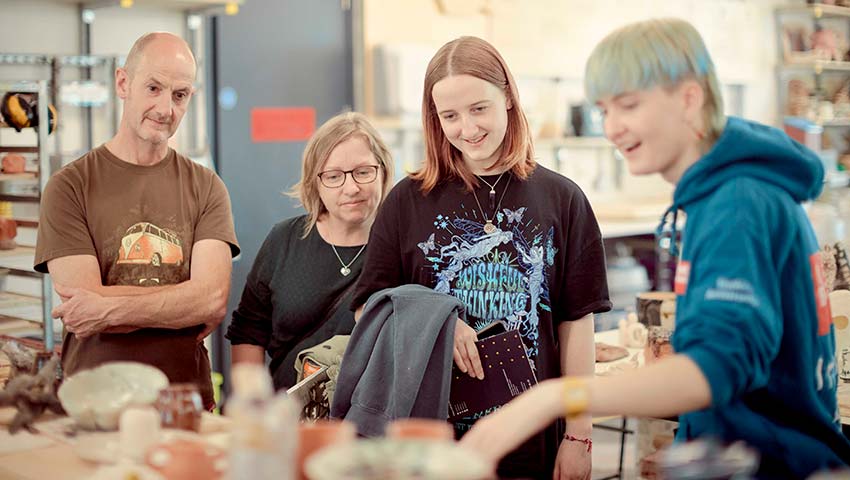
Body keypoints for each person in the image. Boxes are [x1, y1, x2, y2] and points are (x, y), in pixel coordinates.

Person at [460, 18, 850, 478]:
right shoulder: (725, 196)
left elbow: (719, 367)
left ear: (689, 98)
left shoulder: (738, 205)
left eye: (628, 105)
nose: (612, 128)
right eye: (604, 109)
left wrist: (556, 397)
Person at [351, 36, 611, 479]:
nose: (467, 128)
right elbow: (366, 310)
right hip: (430, 441)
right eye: (449, 116)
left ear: (508, 98)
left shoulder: (563, 199)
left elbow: (577, 325)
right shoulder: (407, 201)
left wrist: (578, 435)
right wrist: (437, 326)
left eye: (479, 109)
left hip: (532, 437)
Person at [34, 32, 239, 410]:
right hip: (95, 405)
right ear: (123, 83)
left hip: (184, 405)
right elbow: (81, 310)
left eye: (179, 95)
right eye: (154, 88)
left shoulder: (207, 187)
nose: (165, 108)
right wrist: (179, 304)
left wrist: (108, 308)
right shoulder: (70, 186)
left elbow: (211, 300)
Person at [226, 112, 394, 390]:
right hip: (291, 422)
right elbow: (248, 332)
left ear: (383, 171)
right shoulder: (284, 240)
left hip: (371, 424)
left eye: (363, 172)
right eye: (334, 176)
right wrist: (255, 406)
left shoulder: (402, 245)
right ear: (315, 182)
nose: (351, 188)